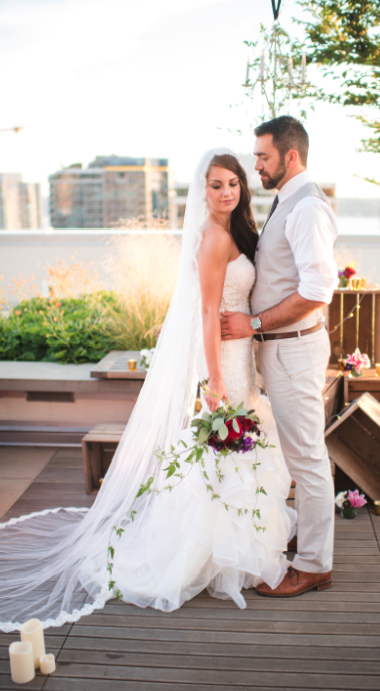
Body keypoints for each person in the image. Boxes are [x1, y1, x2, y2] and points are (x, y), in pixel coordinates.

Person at [0, 149, 296, 630]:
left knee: (231, 451)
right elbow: (205, 312)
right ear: (201, 191)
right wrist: (215, 379)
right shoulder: (212, 239)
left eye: (233, 184)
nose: (225, 192)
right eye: (216, 184)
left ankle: (234, 548)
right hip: (221, 362)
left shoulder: (234, 233)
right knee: (219, 450)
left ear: (242, 189)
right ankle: (207, 554)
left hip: (239, 356)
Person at [221, 115, 339, 597]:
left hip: (294, 351)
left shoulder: (308, 208)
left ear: (290, 156)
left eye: (263, 156)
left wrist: (251, 325)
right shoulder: (286, 200)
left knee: (308, 459)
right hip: (281, 351)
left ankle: (313, 564)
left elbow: (318, 289)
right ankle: (300, 537)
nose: (256, 165)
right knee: (293, 455)